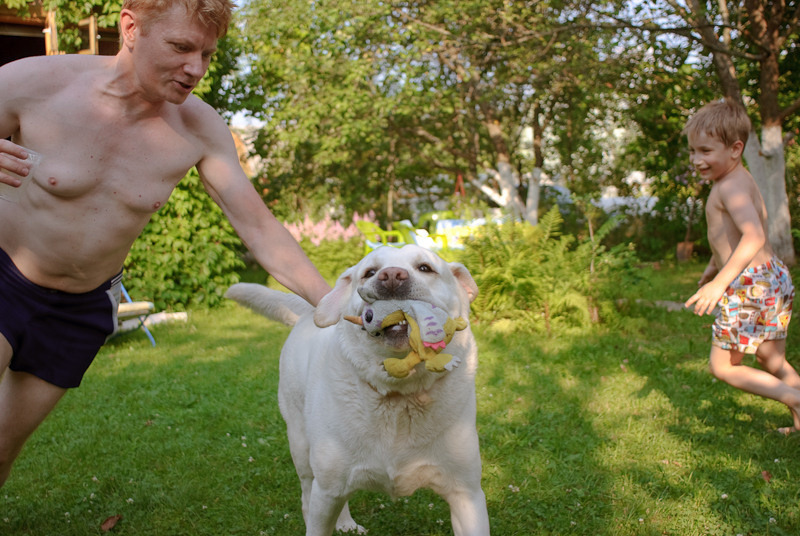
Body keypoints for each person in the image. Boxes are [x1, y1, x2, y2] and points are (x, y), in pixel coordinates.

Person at [0, 0, 331, 488]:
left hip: (80, 309)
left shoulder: (198, 128)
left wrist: (335, 302)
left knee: (4, 447)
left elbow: (259, 229)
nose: (194, 68)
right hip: (6, 275)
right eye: (180, 47)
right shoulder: (30, 83)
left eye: (207, 55)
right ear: (131, 28)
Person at [683, 98, 800, 434]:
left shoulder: (729, 186)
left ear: (735, 149)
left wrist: (720, 283)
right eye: (693, 152)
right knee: (771, 359)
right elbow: (733, 235)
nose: (696, 160)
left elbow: (752, 235)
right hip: (771, 278)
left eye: (705, 151)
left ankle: (794, 398)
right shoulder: (741, 179)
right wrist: (712, 266)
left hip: (750, 284)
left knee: (723, 367)